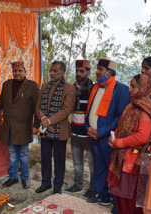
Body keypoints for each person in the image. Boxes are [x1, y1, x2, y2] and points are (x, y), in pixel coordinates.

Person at [0, 61, 40, 189]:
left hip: (24, 127)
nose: (17, 73)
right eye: (15, 71)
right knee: (13, 154)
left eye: (20, 71)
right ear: (12, 72)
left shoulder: (32, 86)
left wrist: (36, 125)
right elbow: (1, 103)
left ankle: (25, 178)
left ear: (25, 72)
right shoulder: (7, 85)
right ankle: (13, 177)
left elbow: (37, 108)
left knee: (24, 154)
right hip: (9, 127)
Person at [107, 74, 151, 214]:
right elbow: (122, 124)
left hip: (133, 161)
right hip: (123, 157)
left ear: (143, 88)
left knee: (129, 199)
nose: (130, 90)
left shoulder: (146, 108)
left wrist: (119, 142)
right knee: (120, 198)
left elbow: (142, 136)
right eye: (130, 86)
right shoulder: (132, 105)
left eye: (134, 87)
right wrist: (114, 138)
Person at [85, 58, 130, 204]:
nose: (96, 72)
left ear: (109, 72)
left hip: (107, 138)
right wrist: (88, 128)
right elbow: (89, 110)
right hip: (93, 135)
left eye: (100, 69)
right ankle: (102, 195)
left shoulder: (121, 89)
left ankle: (115, 200)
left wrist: (102, 131)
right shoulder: (95, 87)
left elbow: (120, 116)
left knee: (112, 168)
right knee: (99, 168)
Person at [35, 61, 75, 194]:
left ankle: (57, 186)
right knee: (45, 158)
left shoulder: (69, 88)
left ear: (63, 73)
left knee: (59, 160)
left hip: (60, 131)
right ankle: (45, 183)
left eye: (55, 71)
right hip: (45, 130)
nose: (52, 73)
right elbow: (38, 107)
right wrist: (43, 119)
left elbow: (66, 110)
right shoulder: (45, 86)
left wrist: (49, 121)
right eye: (51, 70)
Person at [65, 60, 95, 198]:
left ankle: (93, 189)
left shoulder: (95, 89)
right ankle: (78, 186)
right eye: (77, 71)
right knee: (77, 162)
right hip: (75, 132)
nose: (78, 73)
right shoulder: (71, 88)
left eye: (82, 71)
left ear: (88, 72)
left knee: (93, 164)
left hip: (89, 133)